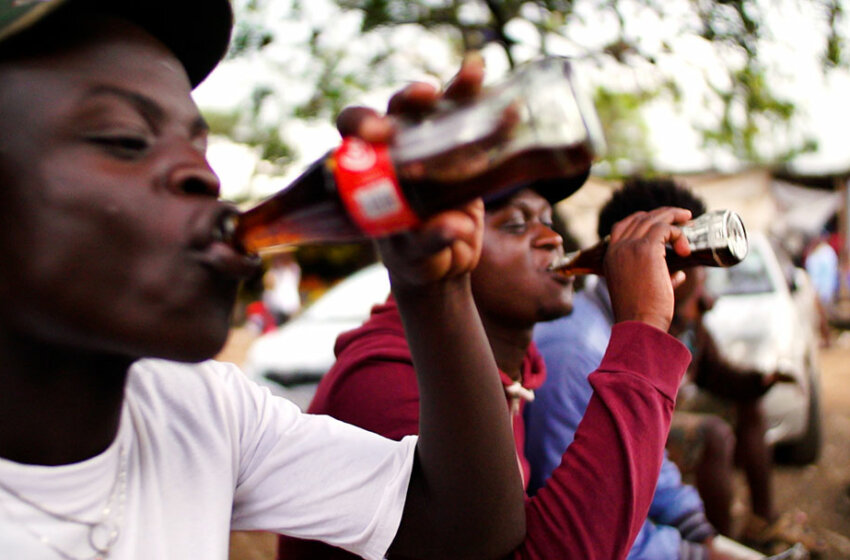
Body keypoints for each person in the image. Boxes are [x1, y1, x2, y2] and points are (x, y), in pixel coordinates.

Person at [0, 1, 532, 558]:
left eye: (198, 145)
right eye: (126, 138)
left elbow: (470, 527)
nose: (202, 174)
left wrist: (434, 288)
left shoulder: (201, 410)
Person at [279, 176, 697, 558]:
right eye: (516, 225)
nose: (552, 238)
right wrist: (642, 328)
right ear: (441, 252)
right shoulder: (396, 381)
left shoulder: (513, 374)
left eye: (548, 221)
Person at [526, 177, 819, 556]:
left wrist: (700, 534)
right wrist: (691, 553)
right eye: (698, 262)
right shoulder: (575, 352)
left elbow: (647, 453)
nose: (705, 288)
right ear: (659, 259)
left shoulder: (623, 332)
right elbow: (580, 526)